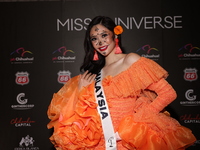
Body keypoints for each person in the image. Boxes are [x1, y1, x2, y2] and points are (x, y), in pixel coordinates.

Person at [47, 16, 196, 150]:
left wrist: (137, 121)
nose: (100, 42)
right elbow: (85, 115)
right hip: (101, 143)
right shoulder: (94, 73)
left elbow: (168, 93)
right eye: (94, 38)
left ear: (115, 34)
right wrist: (81, 90)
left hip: (130, 141)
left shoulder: (130, 60)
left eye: (104, 35)